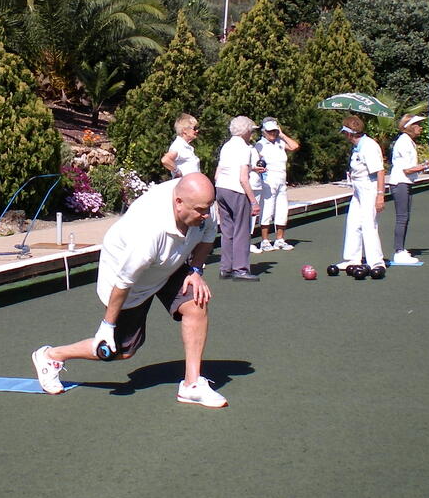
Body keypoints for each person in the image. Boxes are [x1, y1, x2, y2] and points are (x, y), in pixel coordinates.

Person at [30, 173, 227, 408]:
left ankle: (191, 385)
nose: (205, 215)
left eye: (207, 209)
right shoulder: (147, 233)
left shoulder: (203, 206)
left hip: (170, 261)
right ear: (178, 203)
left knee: (196, 302)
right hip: (130, 279)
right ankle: (51, 356)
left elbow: (207, 237)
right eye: (200, 211)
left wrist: (195, 270)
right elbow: (123, 282)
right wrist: (107, 326)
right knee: (119, 351)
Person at [336, 115, 386, 273]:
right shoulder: (358, 146)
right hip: (358, 188)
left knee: (368, 224)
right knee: (353, 222)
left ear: (350, 133)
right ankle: (352, 258)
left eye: (345, 133)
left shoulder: (369, 146)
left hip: (369, 188)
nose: (344, 137)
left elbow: (380, 171)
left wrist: (380, 195)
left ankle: (376, 262)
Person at [214, 116, 261, 281]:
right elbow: (243, 178)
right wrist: (253, 200)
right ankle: (240, 269)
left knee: (227, 230)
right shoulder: (245, 148)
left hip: (221, 188)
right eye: (251, 131)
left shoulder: (226, 146)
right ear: (246, 131)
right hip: (236, 190)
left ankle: (225, 268)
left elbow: (218, 173)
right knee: (242, 230)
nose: (251, 134)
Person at [388, 114, 429, 265]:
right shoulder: (403, 142)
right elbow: (407, 169)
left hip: (405, 182)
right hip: (400, 182)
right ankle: (398, 251)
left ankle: (401, 249)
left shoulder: (409, 142)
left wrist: (426, 164)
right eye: (418, 124)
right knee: (402, 217)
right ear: (410, 127)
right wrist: (427, 166)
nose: (421, 127)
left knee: (405, 217)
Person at [252, 118, 300, 251]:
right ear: (264, 132)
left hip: (281, 180)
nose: (272, 133)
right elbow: (254, 163)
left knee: (282, 209)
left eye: (274, 131)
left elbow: (294, 146)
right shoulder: (259, 145)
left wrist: (282, 134)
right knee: (267, 209)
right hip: (268, 181)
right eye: (269, 131)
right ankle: (265, 241)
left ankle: (280, 239)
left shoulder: (280, 142)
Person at [160, 114, 200, 178]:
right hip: (185, 185)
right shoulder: (178, 145)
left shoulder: (185, 146)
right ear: (184, 130)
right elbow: (165, 160)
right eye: (194, 128)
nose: (197, 131)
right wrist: (177, 172)